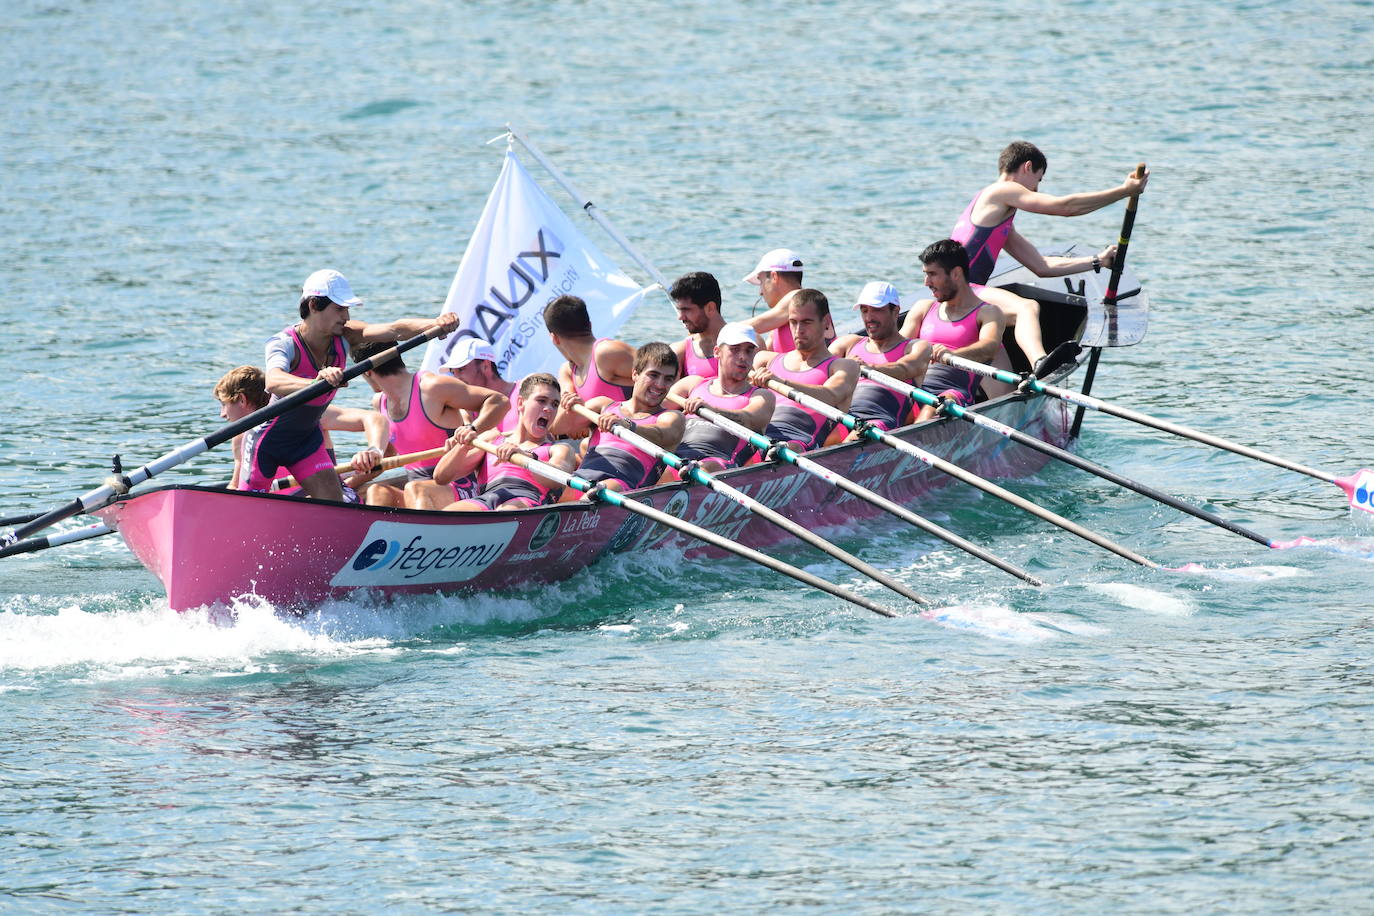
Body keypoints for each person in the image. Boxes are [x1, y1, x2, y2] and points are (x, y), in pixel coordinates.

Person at [918, 140, 1149, 375]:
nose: (1036, 189)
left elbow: (1042, 266)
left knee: (996, 355)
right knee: (1026, 308)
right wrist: (1125, 191)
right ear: (1027, 167)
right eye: (1038, 180)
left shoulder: (996, 215)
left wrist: (1097, 261)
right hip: (965, 289)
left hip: (964, 293)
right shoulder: (1002, 190)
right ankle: (1040, 362)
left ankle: (1012, 397)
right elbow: (1065, 208)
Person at [246, 269, 458, 500]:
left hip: (307, 442)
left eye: (346, 309)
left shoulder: (345, 335)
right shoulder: (284, 343)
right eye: (339, 309)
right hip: (267, 442)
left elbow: (394, 329)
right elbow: (274, 380)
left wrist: (435, 323)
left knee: (334, 509)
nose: (346, 316)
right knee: (245, 506)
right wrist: (315, 382)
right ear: (314, 305)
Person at [350, 340, 508, 510]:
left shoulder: (432, 387)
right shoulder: (379, 402)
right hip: (418, 491)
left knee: (416, 489)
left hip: (460, 486)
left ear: (367, 372)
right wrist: (346, 484)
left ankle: (422, 534)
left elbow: (499, 401)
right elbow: (386, 458)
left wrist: (472, 429)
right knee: (377, 491)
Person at [214, 365, 388, 494]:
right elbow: (234, 488)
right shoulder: (239, 439)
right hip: (278, 513)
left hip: (322, 500)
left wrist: (374, 450)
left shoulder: (303, 416)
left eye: (224, 404)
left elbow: (374, 418)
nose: (222, 414)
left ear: (242, 400)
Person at [561, 341, 685, 497]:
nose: (660, 385)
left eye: (668, 379)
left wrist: (628, 425)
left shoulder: (671, 417)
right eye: (653, 375)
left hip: (623, 487)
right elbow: (560, 428)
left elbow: (663, 434)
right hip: (583, 477)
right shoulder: (603, 405)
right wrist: (568, 408)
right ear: (635, 374)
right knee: (565, 503)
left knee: (601, 492)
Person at [439, 373, 577, 511]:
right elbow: (441, 477)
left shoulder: (560, 449)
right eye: (541, 400)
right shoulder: (490, 440)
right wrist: (462, 447)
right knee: (450, 512)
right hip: (486, 498)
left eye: (555, 404)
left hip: (527, 499)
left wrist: (528, 457)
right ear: (520, 403)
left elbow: (557, 479)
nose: (549, 409)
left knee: (506, 511)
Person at [904, 240, 1006, 422]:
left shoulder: (988, 312)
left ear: (956, 273)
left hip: (952, 395)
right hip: (913, 388)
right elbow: (898, 346)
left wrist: (953, 355)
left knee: (931, 409)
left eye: (933, 274)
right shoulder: (923, 308)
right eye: (926, 275)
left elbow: (990, 346)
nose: (926, 282)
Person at [749, 289, 859, 451]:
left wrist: (781, 382)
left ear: (826, 322)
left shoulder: (844, 366)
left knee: (787, 449)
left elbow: (830, 395)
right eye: (793, 322)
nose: (798, 330)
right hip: (762, 437)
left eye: (807, 322)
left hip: (798, 445)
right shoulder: (765, 360)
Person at [667, 322, 775, 473]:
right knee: (663, 471)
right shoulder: (692, 384)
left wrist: (710, 410)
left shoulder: (761, 396)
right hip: (678, 459)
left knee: (705, 468)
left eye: (749, 351)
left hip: (719, 465)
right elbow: (654, 407)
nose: (743, 357)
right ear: (717, 352)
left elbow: (749, 419)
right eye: (735, 350)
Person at [828, 282, 932, 438]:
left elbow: (906, 368)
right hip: (843, 417)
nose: (869, 318)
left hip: (878, 424)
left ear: (896, 311)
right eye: (864, 311)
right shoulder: (848, 344)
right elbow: (818, 369)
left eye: (877, 310)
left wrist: (867, 368)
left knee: (853, 436)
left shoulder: (916, 347)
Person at [543, 294, 636, 438]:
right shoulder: (567, 372)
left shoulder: (606, 353)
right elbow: (556, 427)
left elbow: (664, 378)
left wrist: (583, 414)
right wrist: (580, 417)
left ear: (554, 338)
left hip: (638, 437)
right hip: (607, 445)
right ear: (590, 325)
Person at [441, 337, 519, 433]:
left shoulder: (524, 392)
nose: (456, 378)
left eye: (461, 369)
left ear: (485, 365)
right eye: (453, 372)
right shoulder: (465, 407)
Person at [742, 248, 806, 352]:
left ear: (774, 277)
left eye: (761, 281)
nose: (760, 292)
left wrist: (717, 331)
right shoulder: (778, 323)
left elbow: (755, 324)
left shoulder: (799, 298)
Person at [670, 271, 727, 381]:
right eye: (679, 310)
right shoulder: (680, 351)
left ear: (710, 308)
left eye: (686, 310)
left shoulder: (749, 344)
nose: (680, 317)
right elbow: (667, 394)